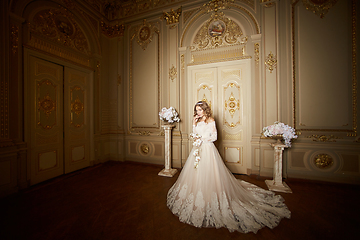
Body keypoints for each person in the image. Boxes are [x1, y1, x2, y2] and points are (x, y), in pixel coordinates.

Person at [167, 101, 290, 233]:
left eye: (200, 110)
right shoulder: (196, 120)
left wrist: (202, 139)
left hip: (207, 149)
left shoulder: (211, 120)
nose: (198, 112)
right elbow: (194, 133)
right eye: (196, 110)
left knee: (210, 173)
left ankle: (212, 195)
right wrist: (193, 124)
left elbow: (214, 137)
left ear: (205, 110)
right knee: (196, 172)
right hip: (197, 149)